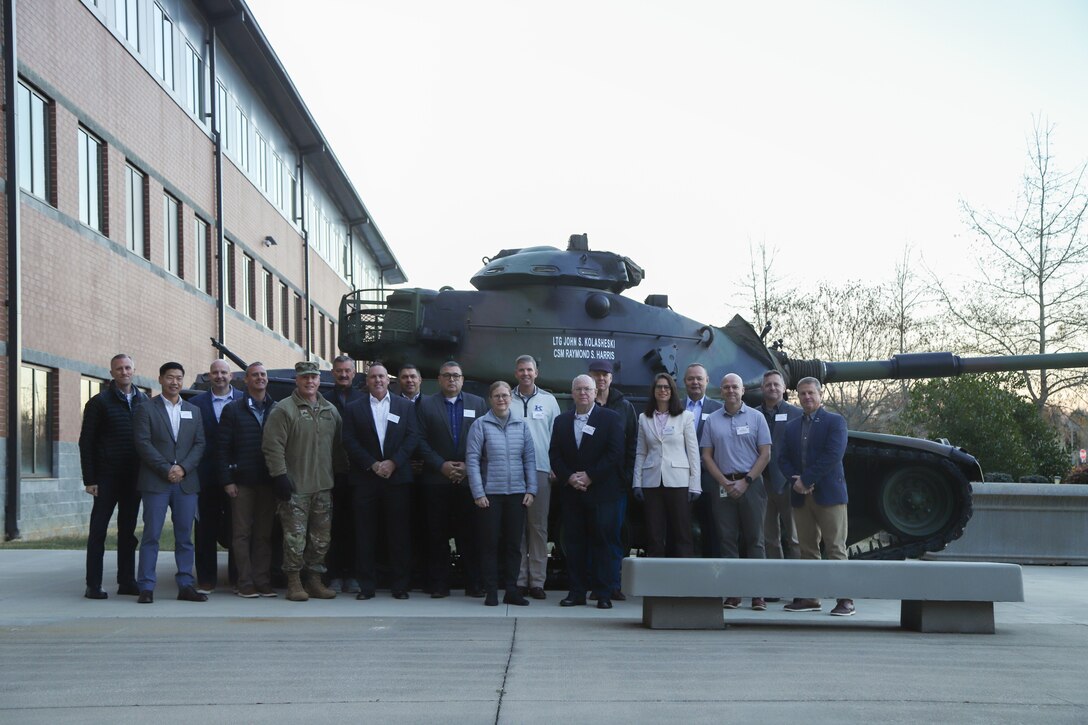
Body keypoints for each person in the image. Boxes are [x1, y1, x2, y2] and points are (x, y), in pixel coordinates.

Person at [262, 360, 348, 602]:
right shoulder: (284, 409)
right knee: (294, 540)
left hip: (323, 487)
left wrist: (341, 473)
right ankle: (293, 581)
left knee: (321, 540)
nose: (310, 382)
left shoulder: (330, 411)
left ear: (320, 380)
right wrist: (279, 476)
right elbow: (272, 446)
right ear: (297, 380)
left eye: (314, 377)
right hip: (295, 487)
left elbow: (339, 447)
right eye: (305, 378)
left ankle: (314, 580)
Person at [342, 362, 419, 600]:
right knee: (365, 534)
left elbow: (412, 436)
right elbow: (349, 440)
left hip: (397, 479)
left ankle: (400, 585)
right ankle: (367, 586)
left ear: (389, 380)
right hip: (366, 479)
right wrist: (373, 464)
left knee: (399, 534)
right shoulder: (354, 408)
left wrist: (393, 463)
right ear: (367, 381)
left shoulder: (404, 407)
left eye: (382, 377)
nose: (377, 380)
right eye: (373, 377)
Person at [778, 377, 855, 616]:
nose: (806, 397)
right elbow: (782, 459)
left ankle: (845, 599)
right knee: (807, 549)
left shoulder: (835, 422)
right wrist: (796, 481)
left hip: (829, 494)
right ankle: (811, 598)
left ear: (820, 395)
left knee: (835, 548)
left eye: (811, 393)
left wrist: (807, 479)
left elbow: (833, 455)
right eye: (802, 394)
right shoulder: (791, 427)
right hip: (801, 496)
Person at [132, 362, 207, 604]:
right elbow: (143, 443)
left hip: (186, 482)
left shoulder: (193, 410)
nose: (174, 382)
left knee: (185, 536)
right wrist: (167, 469)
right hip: (156, 481)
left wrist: (183, 468)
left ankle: (185, 584)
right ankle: (146, 587)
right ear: (160, 379)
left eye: (178, 378)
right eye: (169, 377)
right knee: (151, 535)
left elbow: (199, 444)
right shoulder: (146, 408)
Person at [550, 374, 625, 609]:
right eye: (578, 389)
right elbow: (554, 454)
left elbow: (615, 453)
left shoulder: (611, 418)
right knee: (575, 544)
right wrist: (570, 477)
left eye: (587, 389)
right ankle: (576, 592)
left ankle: (603, 593)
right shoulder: (561, 421)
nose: (583, 393)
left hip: (602, 492)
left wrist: (590, 475)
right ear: (572, 393)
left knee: (603, 542)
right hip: (573, 493)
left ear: (595, 392)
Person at [79, 353, 149, 599]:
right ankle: (93, 584)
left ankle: (127, 581)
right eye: (119, 368)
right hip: (106, 477)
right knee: (98, 530)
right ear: (112, 373)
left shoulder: (144, 401)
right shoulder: (99, 403)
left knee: (128, 532)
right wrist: (90, 479)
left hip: (134, 477)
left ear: (134, 370)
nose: (124, 372)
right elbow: (86, 442)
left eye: (128, 367)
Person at [699, 372, 771, 611]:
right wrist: (724, 482)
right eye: (726, 387)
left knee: (755, 540)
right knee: (727, 539)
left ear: (743, 391)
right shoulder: (712, 420)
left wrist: (746, 481)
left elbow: (765, 454)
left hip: (751, 484)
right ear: (721, 391)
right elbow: (706, 456)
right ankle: (733, 592)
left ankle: (758, 593)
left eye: (735, 387)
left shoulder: (757, 417)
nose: (730, 391)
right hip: (723, 486)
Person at [415, 360, 488, 598]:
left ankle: (474, 584)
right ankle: (439, 584)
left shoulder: (478, 404)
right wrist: (441, 465)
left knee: (471, 536)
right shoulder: (426, 405)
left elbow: (486, 438)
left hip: (469, 481)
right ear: (439, 379)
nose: (452, 380)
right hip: (437, 481)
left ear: (463, 379)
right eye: (447, 375)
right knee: (437, 535)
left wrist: (470, 465)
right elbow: (420, 441)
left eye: (456, 375)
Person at [466, 381, 537, 606]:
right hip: (490, 496)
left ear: (511, 398)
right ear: (490, 399)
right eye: (497, 396)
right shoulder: (480, 425)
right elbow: (473, 460)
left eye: (505, 395)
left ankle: (511, 591)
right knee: (489, 545)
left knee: (513, 546)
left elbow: (529, 458)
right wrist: (478, 492)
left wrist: (531, 489)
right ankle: (491, 592)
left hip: (517, 494)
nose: (501, 399)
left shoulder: (522, 426)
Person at [218, 362, 278, 598]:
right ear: (246, 380)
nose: (260, 378)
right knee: (241, 534)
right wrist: (227, 480)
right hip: (241, 482)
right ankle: (245, 582)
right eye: (255, 375)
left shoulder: (277, 408)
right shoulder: (233, 409)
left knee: (264, 534)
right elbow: (222, 448)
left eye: (263, 374)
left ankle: (262, 581)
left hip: (268, 482)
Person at [632, 373, 700, 557]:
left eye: (666, 387)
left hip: (679, 482)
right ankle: (656, 577)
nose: (663, 390)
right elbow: (641, 452)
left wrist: (695, 485)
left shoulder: (685, 417)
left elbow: (693, 452)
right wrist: (637, 482)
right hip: (651, 482)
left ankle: (684, 576)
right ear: (653, 391)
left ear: (672, 391)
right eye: (659, 387)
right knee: (654, 533)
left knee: (682, 532)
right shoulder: (644, 418)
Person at [190, 359, 242, 594]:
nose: (219, 376)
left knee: (237, 528)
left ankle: (237, 577)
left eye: (224, 372)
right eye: (215, 373)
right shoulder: (195, 404)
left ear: (231, 376)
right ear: (209, 376)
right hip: (206, 476)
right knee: (204, 529)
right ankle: (206, 578)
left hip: (237, 475)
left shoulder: (244, 399)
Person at [511, 355, 560, 599]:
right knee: (517, 528)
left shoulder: (549, 401)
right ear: (515, 372)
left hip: (541, 469)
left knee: (538, 527)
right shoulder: (506, 399)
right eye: (521, 370)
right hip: (513, 471)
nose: (525, 374)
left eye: (529, 370)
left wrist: (554, 466)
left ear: (536, 373)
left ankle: (537, 581)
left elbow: (557, 437)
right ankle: (520, 580)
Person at [587, 360, 636, 601]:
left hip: (615, 482)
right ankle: (596, 585)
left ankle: (614, 584)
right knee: (592, 534)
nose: (601, 379)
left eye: (605, 374)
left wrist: (626, 475)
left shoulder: (624, 407)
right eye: (596, 375)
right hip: (589, 481)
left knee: (613, 536)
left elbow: (633, 444)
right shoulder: (585, 404)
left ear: (611, 378)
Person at [322, 354, 365, 594]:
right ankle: (335, 574)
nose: (344, 375)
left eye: (348, 371)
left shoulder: (364, 400)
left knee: (359, 526)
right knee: (334, 527)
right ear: (333, 373)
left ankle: (356, 574)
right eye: (339, 371)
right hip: (331, 474)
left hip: (359, 473)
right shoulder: (324, 400)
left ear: (354, 373)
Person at [759, 370, 803, 561]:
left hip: (788, 483)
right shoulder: (753, 413)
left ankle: (799, 584)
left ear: (784, 388)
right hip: (761, 483)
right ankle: (776, 585)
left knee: (795, 538)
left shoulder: (797, 414)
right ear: (762, 388)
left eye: (777, 384)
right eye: (768, 384)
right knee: (769, 538)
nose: (772, 388)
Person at [682, 363, 723, 557]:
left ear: (707, 381)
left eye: (699, 378)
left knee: (712, 529)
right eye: (691, 379)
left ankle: (712, 577)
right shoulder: (675, 406)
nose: (695, 382)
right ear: (684, 382)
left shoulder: (719, 409)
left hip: (710, 478)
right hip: (681, 477)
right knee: (681, 529)